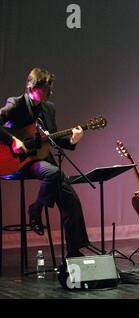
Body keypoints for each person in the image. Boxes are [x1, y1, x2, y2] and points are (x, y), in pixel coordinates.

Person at [0, 67, 90, 257]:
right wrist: (12, 140)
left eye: (51, 88)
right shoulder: (15, 104)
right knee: (53, 173)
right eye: (47, 89)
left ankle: (75, 251)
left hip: (40, 159)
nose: (51, 92)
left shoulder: (49, 108)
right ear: (32, 87)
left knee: (70, 199)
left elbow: (51, 138)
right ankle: (35, 210)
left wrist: (72, 140)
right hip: (17, 162)